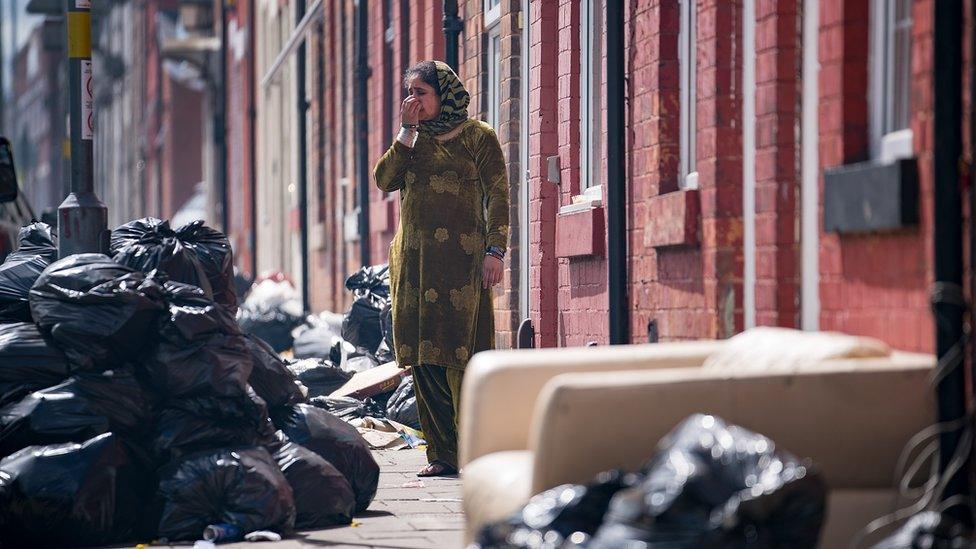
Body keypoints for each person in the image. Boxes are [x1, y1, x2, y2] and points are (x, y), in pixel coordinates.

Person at [373, 60, 509, 477]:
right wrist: (405, 132)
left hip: (463, 266)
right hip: (415, 267)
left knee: (461, 357)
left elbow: (499, 195)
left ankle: (473, 449)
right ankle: (441, 456)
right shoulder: (411, 142)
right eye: (409, 93)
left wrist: (495, 251)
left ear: (443, 93)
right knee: (424, 359)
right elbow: (384, 180)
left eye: (421, 92)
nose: (413, 100)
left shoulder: (477, 138)